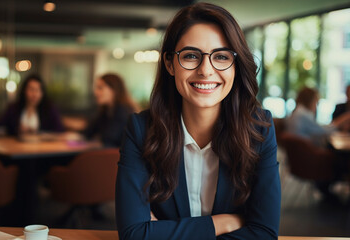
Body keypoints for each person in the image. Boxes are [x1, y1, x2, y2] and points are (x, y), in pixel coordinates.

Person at [115, 3, 280, 240]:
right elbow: (133, 234)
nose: (206, 70)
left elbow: (264, 234)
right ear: (170, 64)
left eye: (221, 56)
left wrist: (162, 231)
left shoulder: (259, 130)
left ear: (236, 66)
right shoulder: (141, 130)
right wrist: (222, 223)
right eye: (191, 56)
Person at [0, 74, 64, 135]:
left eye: (38, 90)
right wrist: (17, 129)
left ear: (42, 93)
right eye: (31, 89)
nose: (34, 94)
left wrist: (37, 132)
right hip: (16, 148)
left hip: (42, 149)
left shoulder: (49, 109)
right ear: (24, 91)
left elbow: (59, 131)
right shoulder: (14, 109)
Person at [84, 73, 139, 147]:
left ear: (114, 89)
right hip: (108, 154)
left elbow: (109, 141)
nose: (96, 92)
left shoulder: (123, 111)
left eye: (100, 88)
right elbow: (89, 132)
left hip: (118, 156)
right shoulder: (106, 111)